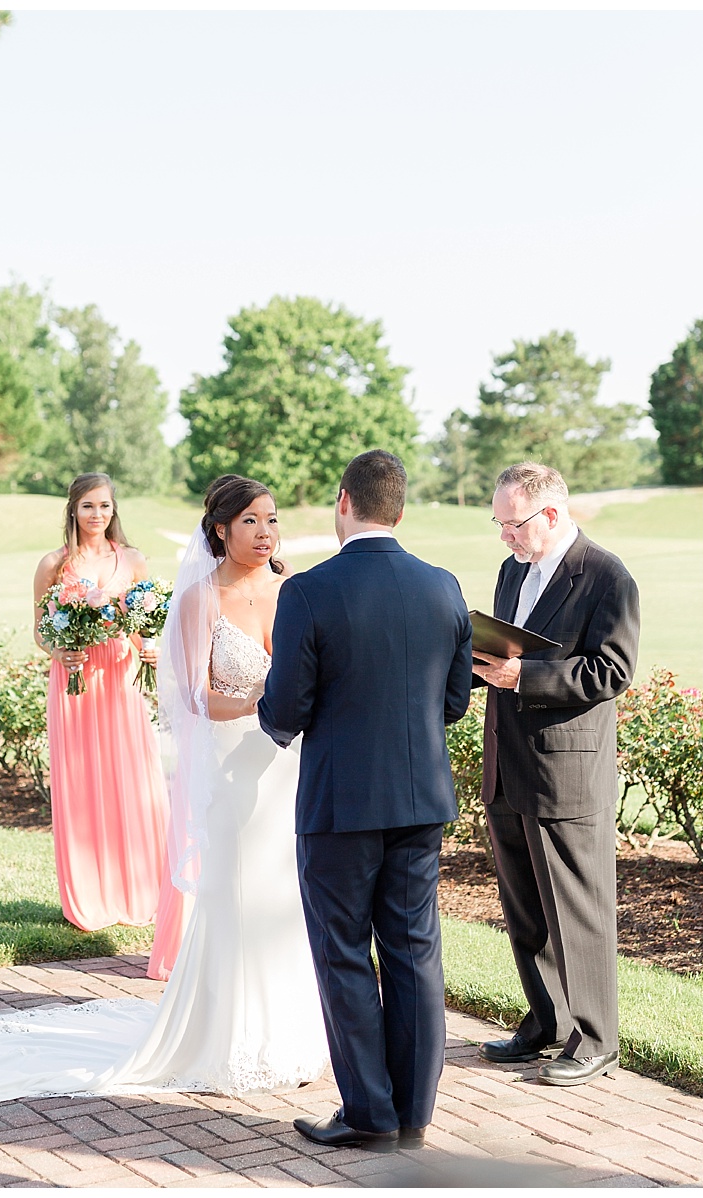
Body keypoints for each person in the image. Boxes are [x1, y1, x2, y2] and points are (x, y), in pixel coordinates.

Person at [0, 475, 329, 1113]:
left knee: (285, 892)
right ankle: (230, 1036)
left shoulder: (296, 591)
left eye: (272, 521)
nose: (265, 533)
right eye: (250, 521)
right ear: (221, 530)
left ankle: (292, 1033)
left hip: (289, 768)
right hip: (232, 763)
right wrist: (267, 702)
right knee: (236, 889)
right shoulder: (199, 599)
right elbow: (196, 699)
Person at [259, 450, 474, 1152]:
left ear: (343, 500)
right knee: (413, 951)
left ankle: (368, 1114)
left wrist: (269, 711)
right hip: (420, 802)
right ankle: (412, 1114)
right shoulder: (444, 587)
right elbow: (454, 705)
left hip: (340, 806)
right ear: (400, 510)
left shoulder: (309, 592)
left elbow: (285, 710)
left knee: (345, 950)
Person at [472, 463, 640, 1087]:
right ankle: (545, 1022)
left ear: (550, 513)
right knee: (525, 910)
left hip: (566, 773)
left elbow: (611, 672)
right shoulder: (512, 570)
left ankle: (595, 1040)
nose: (506, 537)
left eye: (513, 523)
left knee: (579, 909)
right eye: (499, 524)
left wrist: (528, 679)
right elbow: (500, 652)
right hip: (505, 765)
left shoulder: (606, 576)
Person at [30, 472, 176, 968]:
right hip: (75, 688)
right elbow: (39, 631)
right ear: (73, 509)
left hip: (120, 681)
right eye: (89, 506)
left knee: (134, 779)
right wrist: (61, 650)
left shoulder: (131, 560)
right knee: (82, 782)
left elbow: (143, 622)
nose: (98, 515)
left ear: (115, 510)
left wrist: (150, 648)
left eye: (106, 506)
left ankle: (141, 891)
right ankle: (88, 897)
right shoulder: (54, 564)